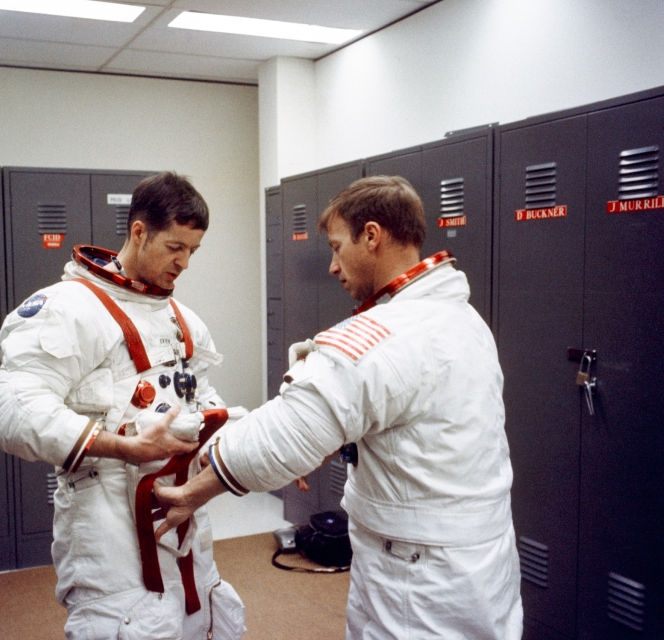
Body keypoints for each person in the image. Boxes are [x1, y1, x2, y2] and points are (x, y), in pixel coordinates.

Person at [155, 176, 523, 639]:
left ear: (371, 236)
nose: (332, 266)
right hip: (477, 559)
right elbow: (398, 414)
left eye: (336, 247)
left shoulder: (384, 335)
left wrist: (200, 476)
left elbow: (276, 442)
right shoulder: (461, 318)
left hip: (419, 574)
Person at [0, 172, 246, 640]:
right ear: (139, 231)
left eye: (193, 251)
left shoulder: (184, 322)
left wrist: (238, 451)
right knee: (130, 625)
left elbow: (203, 401)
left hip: (181, 516)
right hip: (106, 527)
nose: (184, 263)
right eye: (174, 247)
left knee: (198, 619)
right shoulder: (67, 308)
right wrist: (124, 447)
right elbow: (10, 411)